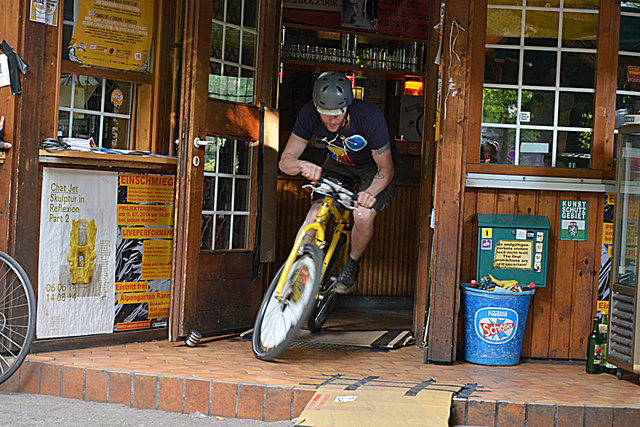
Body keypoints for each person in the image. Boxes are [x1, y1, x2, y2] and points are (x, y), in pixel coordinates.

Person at [279, 72, 397, 294]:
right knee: (315, 214)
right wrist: (302, 166)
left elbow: (386, 169)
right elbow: (285, 162)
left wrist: (370, 192)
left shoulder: (370, 118)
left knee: (362, 214)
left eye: (337, 115)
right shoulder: (308, 115)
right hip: (337, 165)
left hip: (373, 169)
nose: (331, 121)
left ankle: (352, 264)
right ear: (316, 106)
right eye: (326, 115)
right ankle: (298, 268)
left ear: (348, 107)